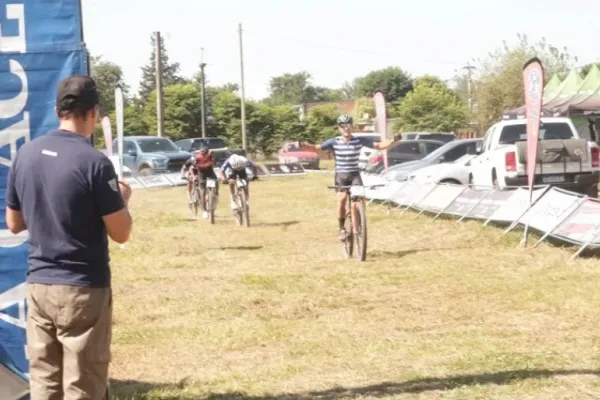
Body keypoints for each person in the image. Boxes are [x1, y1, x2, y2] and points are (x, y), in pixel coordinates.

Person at [5, 75, 133, 400]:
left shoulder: (25, 155)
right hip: (82, 288)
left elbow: (14, 223)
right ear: (93, 113)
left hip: (39, 286)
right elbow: (121, 233)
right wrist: (122, 199)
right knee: (83, 387)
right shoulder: (95, 162)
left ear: (57, 109)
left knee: (44, 386)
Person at [300, 114, 401, 240]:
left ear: (351, 127)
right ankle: (341, 228)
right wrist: (304, 145)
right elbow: (316, 148)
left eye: (348, 126)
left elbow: (380, 146)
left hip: (354, 174)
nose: (345, 128)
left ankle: (357, 223)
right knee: (342, 198)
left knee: (358, 200)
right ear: (339, 128)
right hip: (341, 175)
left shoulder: (359, 141)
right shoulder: (334, 141)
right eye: (342, 126)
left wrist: (393, 140)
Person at [181, 147, 220, 219]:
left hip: (210, 172)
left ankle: (216, 194)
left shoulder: (210, 155)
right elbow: (189, 168)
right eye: (203, 154)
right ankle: (204, 210)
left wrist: (214, 159)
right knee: (203, 191)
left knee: (216, 181)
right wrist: (191, 176)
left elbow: (216, 162)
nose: (204, 155)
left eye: (206, 154)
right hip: (200, 173)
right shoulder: (196, 158)